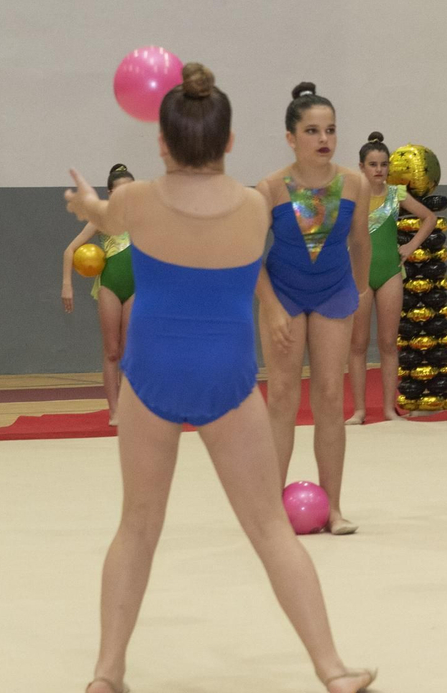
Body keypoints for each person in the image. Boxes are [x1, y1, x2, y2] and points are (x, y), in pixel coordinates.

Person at [64, 62, 374, 693]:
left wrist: (86, 204)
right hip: (227, 381)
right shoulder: (254, 208)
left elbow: (108, 217)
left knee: (137, 527)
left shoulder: (136, 200)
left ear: (161, 143)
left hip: (150, 376)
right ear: (229, 140)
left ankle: (107, 673)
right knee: (270, 530)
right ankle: (332, 668)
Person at [257, 83, 371, 535]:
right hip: (283, 295)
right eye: (312, 131)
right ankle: (269, 511)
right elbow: (248, 257)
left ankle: (334, 507)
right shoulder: (270, 188)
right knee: (282, 397)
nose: (324, 139)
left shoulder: (355, 183)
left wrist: (357, 292)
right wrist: (270, 307)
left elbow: (360, 242)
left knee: (329, 396)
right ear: (291, 138)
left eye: (331, 130)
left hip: (333, 293)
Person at [346, 131, 437, 424]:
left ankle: (388, 409)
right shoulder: (351, 196)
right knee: (358, 345)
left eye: (383, 164)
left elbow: (429, 218)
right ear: (361, 167)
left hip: (390, 274)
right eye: (372, 164)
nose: (379, 170)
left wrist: (411, 246)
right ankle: (359, 410)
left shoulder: (397, 194)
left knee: (387, 344)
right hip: (358, 276)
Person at [62, 163, 138, 425]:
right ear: (110, 193)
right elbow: (69, 251)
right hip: (110, 287)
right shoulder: (101, 219)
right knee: (112, 352)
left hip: (136, 288)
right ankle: (114, 411)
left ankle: (127, 409)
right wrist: (67, 285)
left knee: (129, 352)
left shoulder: (142, 219)